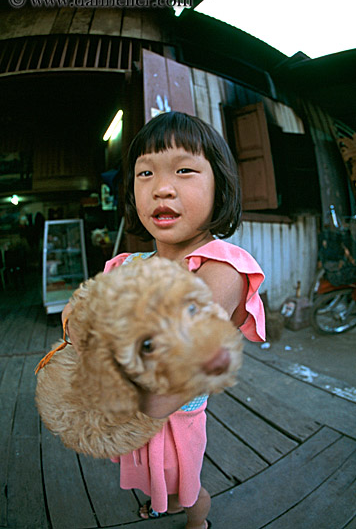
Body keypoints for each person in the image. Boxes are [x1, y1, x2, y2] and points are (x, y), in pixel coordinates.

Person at [62, 111, 265, 529]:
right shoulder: (126, 263)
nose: (162, 188)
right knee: (153, 480)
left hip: (176, 421)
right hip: (131, 417)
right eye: (145, 173)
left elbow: (161, 393)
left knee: (186, 488)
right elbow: (73, 320)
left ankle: (196, 522)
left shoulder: (220, 270)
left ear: (220, 184)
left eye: (185, 170)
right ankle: (163, 503)